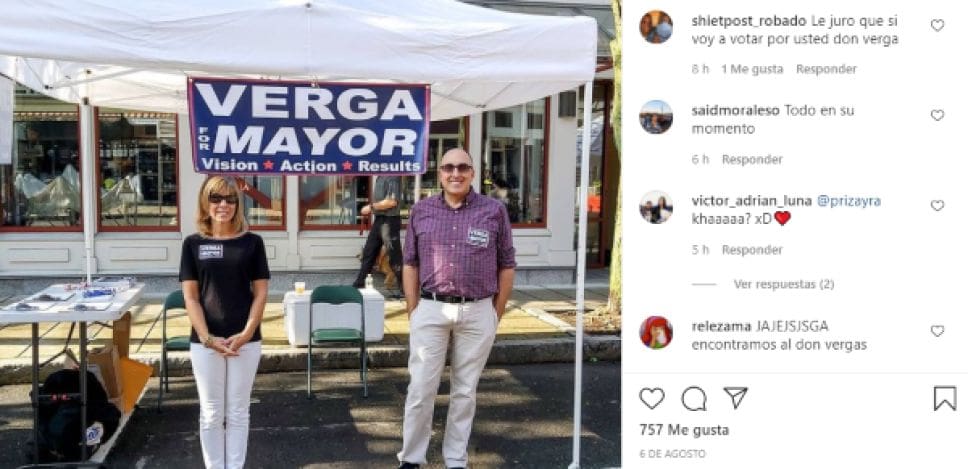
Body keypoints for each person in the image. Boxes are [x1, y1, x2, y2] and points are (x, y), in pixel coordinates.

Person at [397, 148, 516, 469]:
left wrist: (495, 312)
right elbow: (410, 263)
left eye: (463, 167)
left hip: (478, 311)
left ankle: (455, 460)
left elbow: (507, 264)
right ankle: (411, 458)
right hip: (431, 308)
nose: (455, 173)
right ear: (440, 174)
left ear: (472, 173)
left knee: (464, 392)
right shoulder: (421, 210)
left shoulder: (494, 210)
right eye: (448, 167)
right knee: (421, 389)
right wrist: (413, 309)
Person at [179, 176, 270, 469]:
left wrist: (246, 333)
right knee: (211, 413)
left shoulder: (252, 243)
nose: (223, 205)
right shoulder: (193, 244)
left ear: (238, 204)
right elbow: (191, 297)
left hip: (245, 341)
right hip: (206, 342)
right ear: (205, 202)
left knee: (239, 412)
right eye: (216, 198)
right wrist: (207, 338)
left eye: (230, 199)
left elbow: (261, 293)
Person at [353, 175, 404, 293]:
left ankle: (405, 289)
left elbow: (392, 202)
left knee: (394, 257)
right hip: (379, 219)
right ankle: (359, 284)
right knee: (369, 252)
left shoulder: (393, 176)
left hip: (390, 221)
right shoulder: (380, 177)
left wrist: (371, 207)